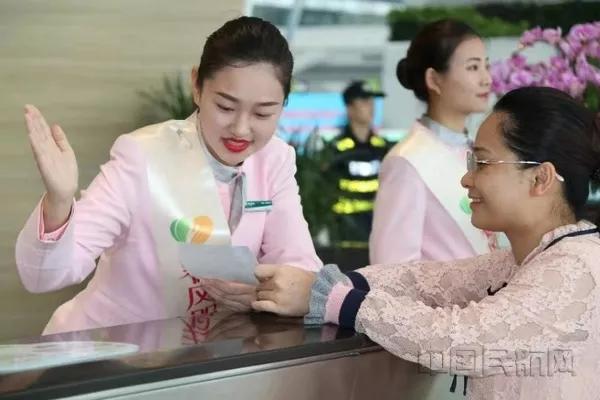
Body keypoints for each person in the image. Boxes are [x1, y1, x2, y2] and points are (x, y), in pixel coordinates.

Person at [253, 86, 600, 400]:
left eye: (482, 163)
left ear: (541, 178)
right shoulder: (521, 261)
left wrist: (330, 297)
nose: (467, 179)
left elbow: (458, 339)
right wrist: (321, 285)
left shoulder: (576, 269)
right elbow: (421, 280)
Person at [15, 16, 321, 335]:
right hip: (111, 348)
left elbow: (299, 270)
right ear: (197, 87)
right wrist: (60, 201)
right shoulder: (144, 155)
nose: (241, 129)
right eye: (226, 107)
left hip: (205, 353)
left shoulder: (274, 160)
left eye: (262, 113)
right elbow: (45, 276)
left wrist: (261, 294)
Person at [370, 19, 498, 264]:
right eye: (473, 67)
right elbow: (391, 269)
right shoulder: (406, 162)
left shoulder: (475, 149)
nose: (486, 79)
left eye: (486, 66)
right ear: (434, 79)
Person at [327, 80, 392, 244]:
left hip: (379, 234)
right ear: (350, 108)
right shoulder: (335, 150)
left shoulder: (384, 148)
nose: (371, 106)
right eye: (364, 101)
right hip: (345, 235)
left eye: (372, 101)